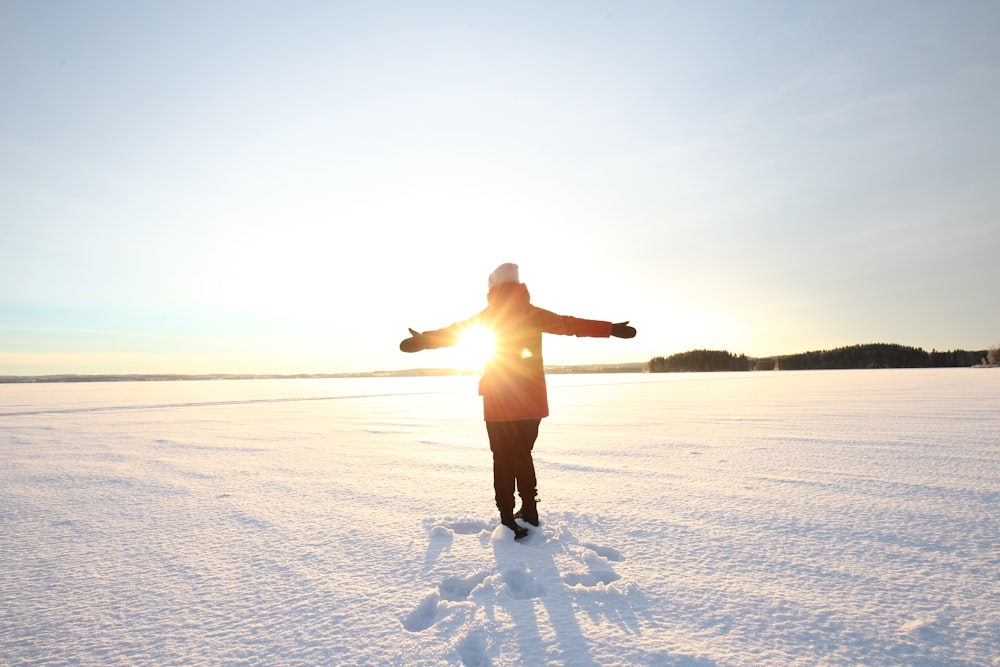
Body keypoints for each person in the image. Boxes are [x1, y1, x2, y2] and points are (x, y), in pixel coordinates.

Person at [399, 263, 636, 539]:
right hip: (531, 399)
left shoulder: (489, 316)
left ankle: (507, 517)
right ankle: (529, 511)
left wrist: (427, 340)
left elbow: (458, 332)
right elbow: (570, 324)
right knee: (522, 455)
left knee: (502, 457)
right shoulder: (532, 313)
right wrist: (610, 329)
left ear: (493, 289)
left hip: (500, 398)